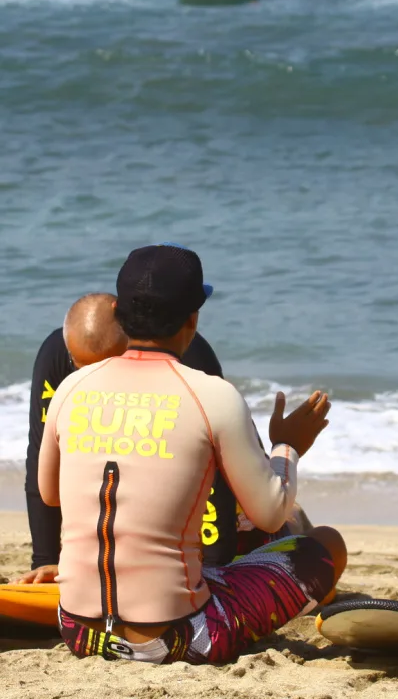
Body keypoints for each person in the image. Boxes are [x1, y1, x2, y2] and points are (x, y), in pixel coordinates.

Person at [39, 244, 345, 664]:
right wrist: (287, 446)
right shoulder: (211, 395)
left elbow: (49, 493)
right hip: (182, 636)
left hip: (77, 630)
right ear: (193, 319)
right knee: (325, 544)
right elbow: (270, 513)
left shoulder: (71, 388)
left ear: (120, 312)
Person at [17, 292, 240, 584]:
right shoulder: (58, 356)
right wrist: (46, 560)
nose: (93, 380)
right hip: (138, 496)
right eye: (82, 368)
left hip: (221, 487)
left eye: (104, 366)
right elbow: (42, 460)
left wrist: (214, 564)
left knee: (262, 531)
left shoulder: (188, 355)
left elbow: (215, 470)